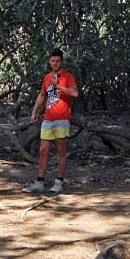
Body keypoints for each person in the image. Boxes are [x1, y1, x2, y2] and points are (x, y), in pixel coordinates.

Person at [24, 49, 78, 193]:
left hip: (62, 119)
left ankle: (59, 181)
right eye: (53, 61)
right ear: (49, 62)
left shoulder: (67, 76)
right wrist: (34, 112)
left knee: (61, 150)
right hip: (48, 119)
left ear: (62, 61)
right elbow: (42, 95)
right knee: (43, 151)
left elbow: (75, 93)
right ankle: (39, 181)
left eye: (58, 61)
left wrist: (58, 86)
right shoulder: (47, 77)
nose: (55, 63)